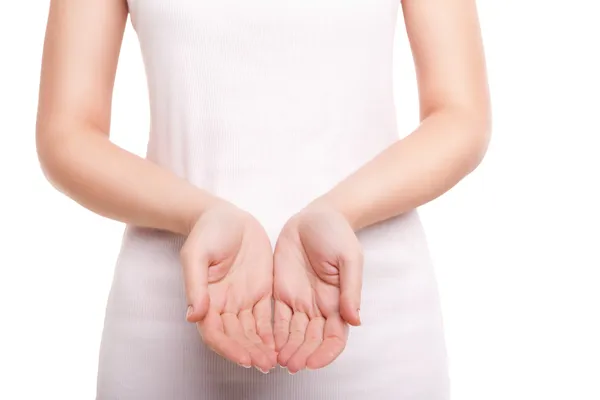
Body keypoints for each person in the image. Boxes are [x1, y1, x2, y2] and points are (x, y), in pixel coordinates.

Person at [36, 0, 490, 398]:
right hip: (166, 326)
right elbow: (67, 135)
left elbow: (460, 115)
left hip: (375, 323)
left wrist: (340, 210)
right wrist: (200, 213)